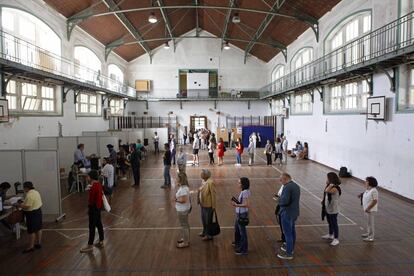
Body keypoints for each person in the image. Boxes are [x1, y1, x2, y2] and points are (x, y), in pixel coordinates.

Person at [277, 173, 300, 260]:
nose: (280, 181)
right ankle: (291, 248)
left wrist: (278, 200)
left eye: (281, 179)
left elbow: (285, 201)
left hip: (287, 213)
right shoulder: (296, 186)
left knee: (288, 233)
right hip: (294, 213)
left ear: (286, 179)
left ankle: (289, 253)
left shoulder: (287, 187)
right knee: (292, 231)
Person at [80, 170, 104, 253]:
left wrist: (90, 209)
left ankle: (90, 245)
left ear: (91, 177)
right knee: (99, 224)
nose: (87, 178)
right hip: (98, 208)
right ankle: (101, 241)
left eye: (87, 176)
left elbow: (91, 200)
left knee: (92, 227)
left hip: (94, 209)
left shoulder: (94, 186)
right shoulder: (98, 184)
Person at [17, 181, 43, 254]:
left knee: (31, 231)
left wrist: (19, 205)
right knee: (39, 228)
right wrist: (23, 202)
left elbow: (27, 206)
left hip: (32, 214)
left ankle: (31, 247)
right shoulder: (36, 192)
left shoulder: (29, 195)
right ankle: (39, 243)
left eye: (24, 188)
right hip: (38, 211)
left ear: (26, 188)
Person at [232, 177, 251, 255]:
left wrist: (236, 204)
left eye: (239, 183)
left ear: (243, 184)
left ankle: (244, 249)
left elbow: (247, 204)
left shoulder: (245, 192)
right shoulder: (243, 191)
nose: (238, 184)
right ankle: (238, 242)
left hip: (242, 214)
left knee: (242, 232)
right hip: (239, 213)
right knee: (237, 228)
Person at [322, 172, 341, 246]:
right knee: (330, 222)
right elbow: (326, 194)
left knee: (334, 223)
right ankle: (330, 234)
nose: (326, 179)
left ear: (331, 179)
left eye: (327, 178)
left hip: (333, 208)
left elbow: (326, 191)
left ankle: (336, 238)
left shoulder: (335, 188)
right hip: (328, 207)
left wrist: (330, 185)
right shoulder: (329, 186)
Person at [359, 176, 379, 242]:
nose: (365, 182)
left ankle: (371, 237)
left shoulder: (374, 191)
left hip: (370, 210)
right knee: (368, 223)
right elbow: (367, 195)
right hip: (367, 210)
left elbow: (375, 201)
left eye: (367, 181)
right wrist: (361, 195)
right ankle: (368, 233)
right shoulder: (368, 189)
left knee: (371, 223)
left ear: (370, 182)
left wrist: (368, 208)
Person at [198, 169, 216, 241]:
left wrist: (213, 206)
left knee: (208, 220)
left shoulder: (210, 183)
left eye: (202, 173)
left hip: (208, 205)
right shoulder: (203, 181)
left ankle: (209, 235)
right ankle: (204, 232)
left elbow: (213, 195)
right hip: (203, 204)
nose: (200, 174)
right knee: (203, 219)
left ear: (205, 175)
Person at [175, 172, 191, 248]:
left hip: (182, 210)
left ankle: (185, 242)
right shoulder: (184, 187)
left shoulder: (184, 189)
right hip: (184, 208)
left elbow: (183, 200)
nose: (176, 179)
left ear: (180, 179)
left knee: (184, 226)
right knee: (186, 225)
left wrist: (175, 200)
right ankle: (186, 238)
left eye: (177, 178)